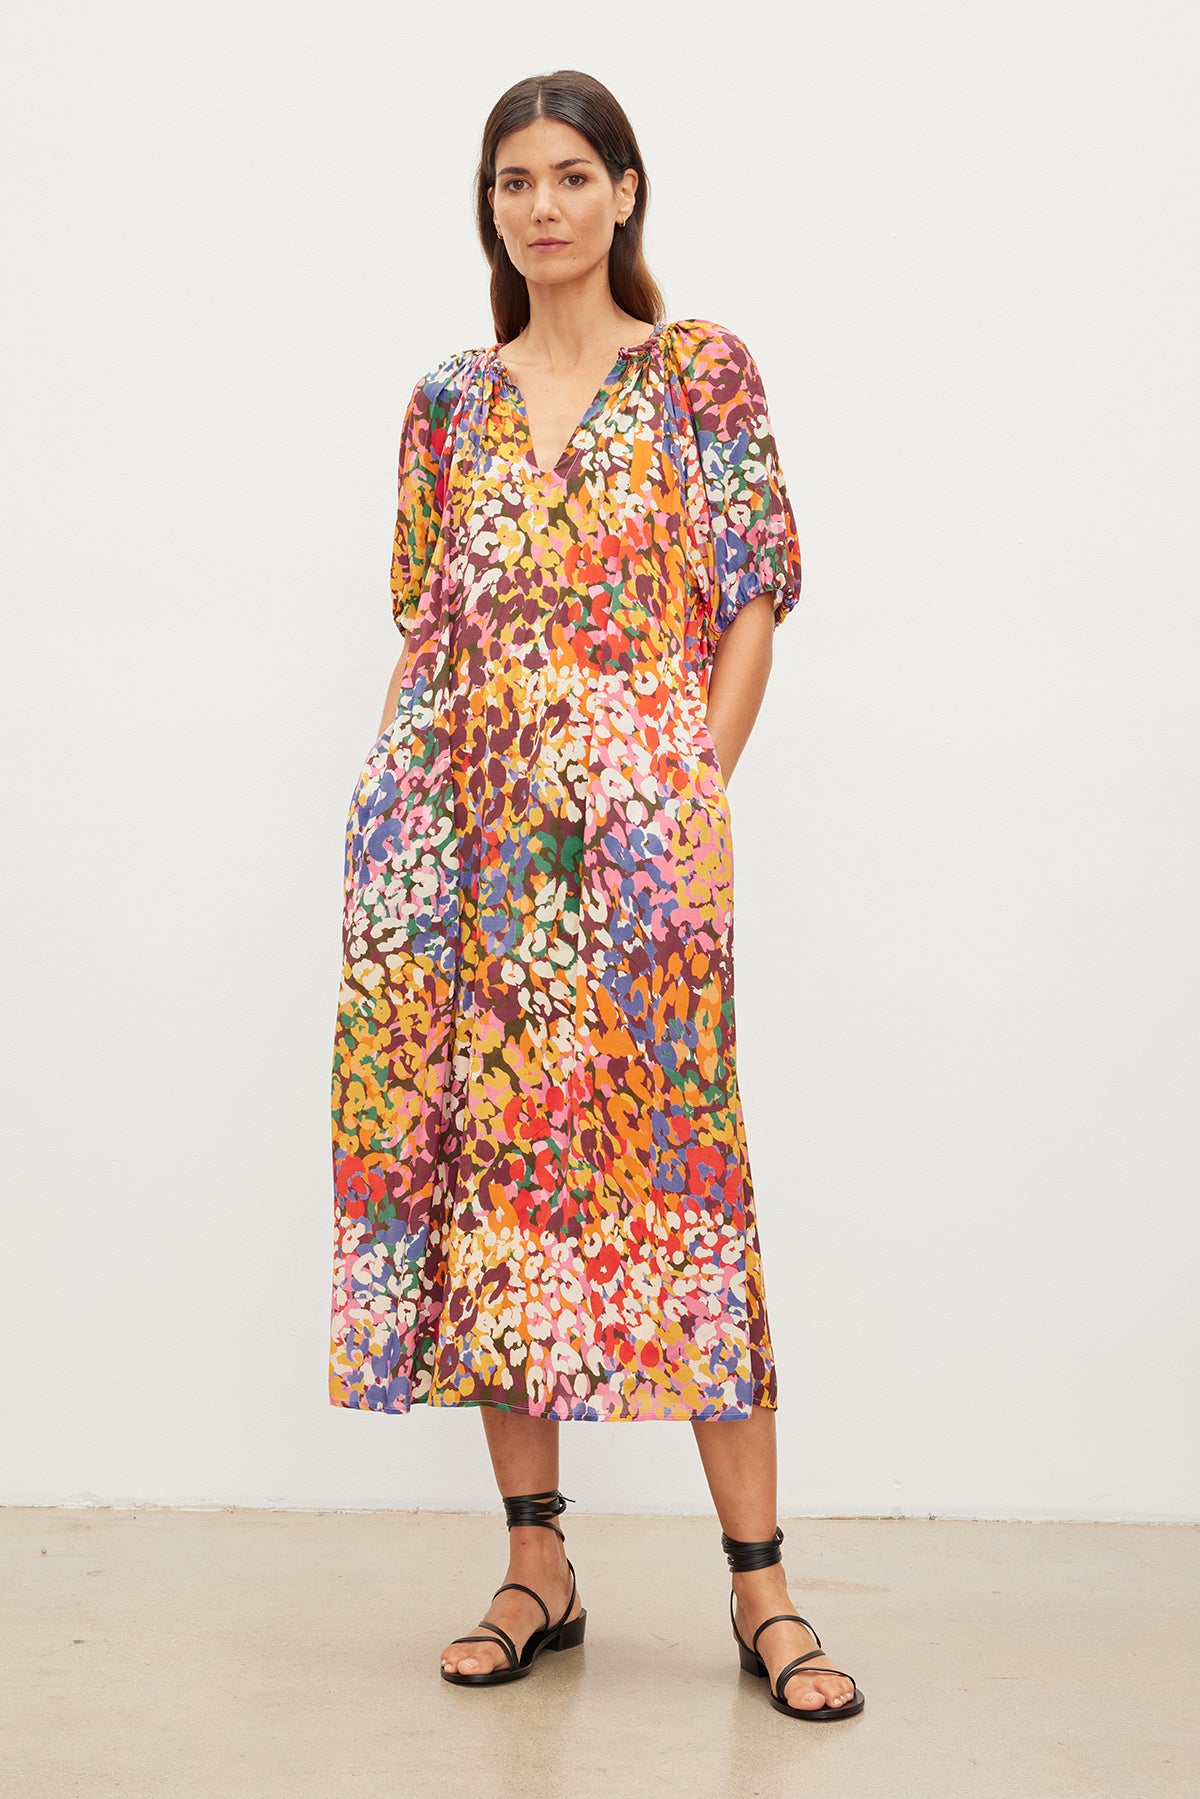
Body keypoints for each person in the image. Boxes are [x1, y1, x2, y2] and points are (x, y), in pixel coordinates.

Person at [328, 69, 864, 1723]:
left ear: (625, 193)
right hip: (464, 855)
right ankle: (535, 1561)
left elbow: (753, 599)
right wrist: (402, 837)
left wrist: (683, 798)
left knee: (684, 1189)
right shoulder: (444, 403)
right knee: (498, 1193)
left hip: (642, 859)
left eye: (572, 175)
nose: (542, 206)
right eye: (513, 182)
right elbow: (432, 627)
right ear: (489, 209)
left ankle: (761, 1592)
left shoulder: (702, 376)